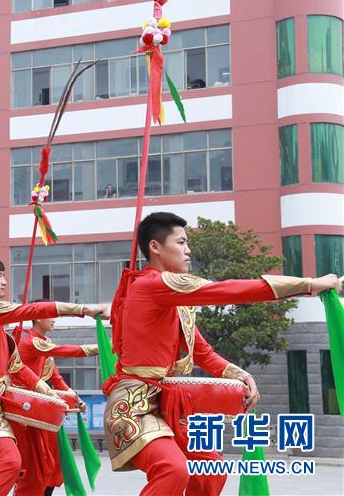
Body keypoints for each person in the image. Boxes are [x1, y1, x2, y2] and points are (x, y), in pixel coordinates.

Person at [104, 211, 343, 496]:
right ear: (155, 247)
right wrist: (310, 284)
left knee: (210, 470)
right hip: (134, 406)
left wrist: (240, 375)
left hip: (169, 406)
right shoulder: (152, 285)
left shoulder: (173, 298)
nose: (188, 250)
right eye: (181, 242)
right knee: (173, 469)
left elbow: (202, 352)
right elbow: (226, 290)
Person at [0, 254, 107, 496]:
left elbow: (19, 368)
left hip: (6, 400)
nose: (4, 281)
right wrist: (83, 309)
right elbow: (32, 310)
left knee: (30, 464)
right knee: (13, 463)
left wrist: (51, 394)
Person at [12, 312, 98, 496]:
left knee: (53, 464)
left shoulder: (44, 344)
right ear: (37, 318)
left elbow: (56, 378)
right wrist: (99, 348)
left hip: (40, 412)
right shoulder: (30, 342)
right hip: (24, 413)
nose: (54, 319)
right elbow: (64, 351)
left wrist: (76, 399)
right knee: (32, 466)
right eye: (50, 316)